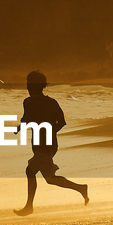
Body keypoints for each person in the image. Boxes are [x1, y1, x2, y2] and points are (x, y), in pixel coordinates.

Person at [14, 70, 89, 216]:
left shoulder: (29, 102)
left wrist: (23, 128)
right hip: (48, 143)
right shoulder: (50, 102)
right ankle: (81, 188)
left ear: (33, 87)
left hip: (44, 144)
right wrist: (49, 130)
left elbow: (27, 120)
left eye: (29, 85)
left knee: (30, 171)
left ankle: (29, 206)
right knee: (50, 179)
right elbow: (61, 122)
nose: (28, 88)